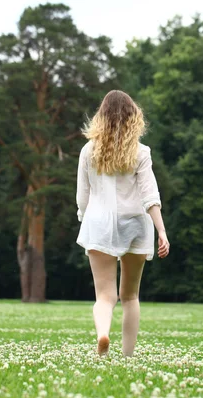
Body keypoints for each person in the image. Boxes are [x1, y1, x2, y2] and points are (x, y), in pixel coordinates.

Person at [76, 90, 169, 357]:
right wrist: (161, 231)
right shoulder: (141, 152)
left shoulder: (88, 151)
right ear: (134, 118)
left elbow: (82, 197)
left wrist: (86, 219)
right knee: (130, 296)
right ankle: (127, 357)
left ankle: (103, 333)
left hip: (99, 223)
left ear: (100, 117)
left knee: (104, 297)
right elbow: (150, 194)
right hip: (136, 224)